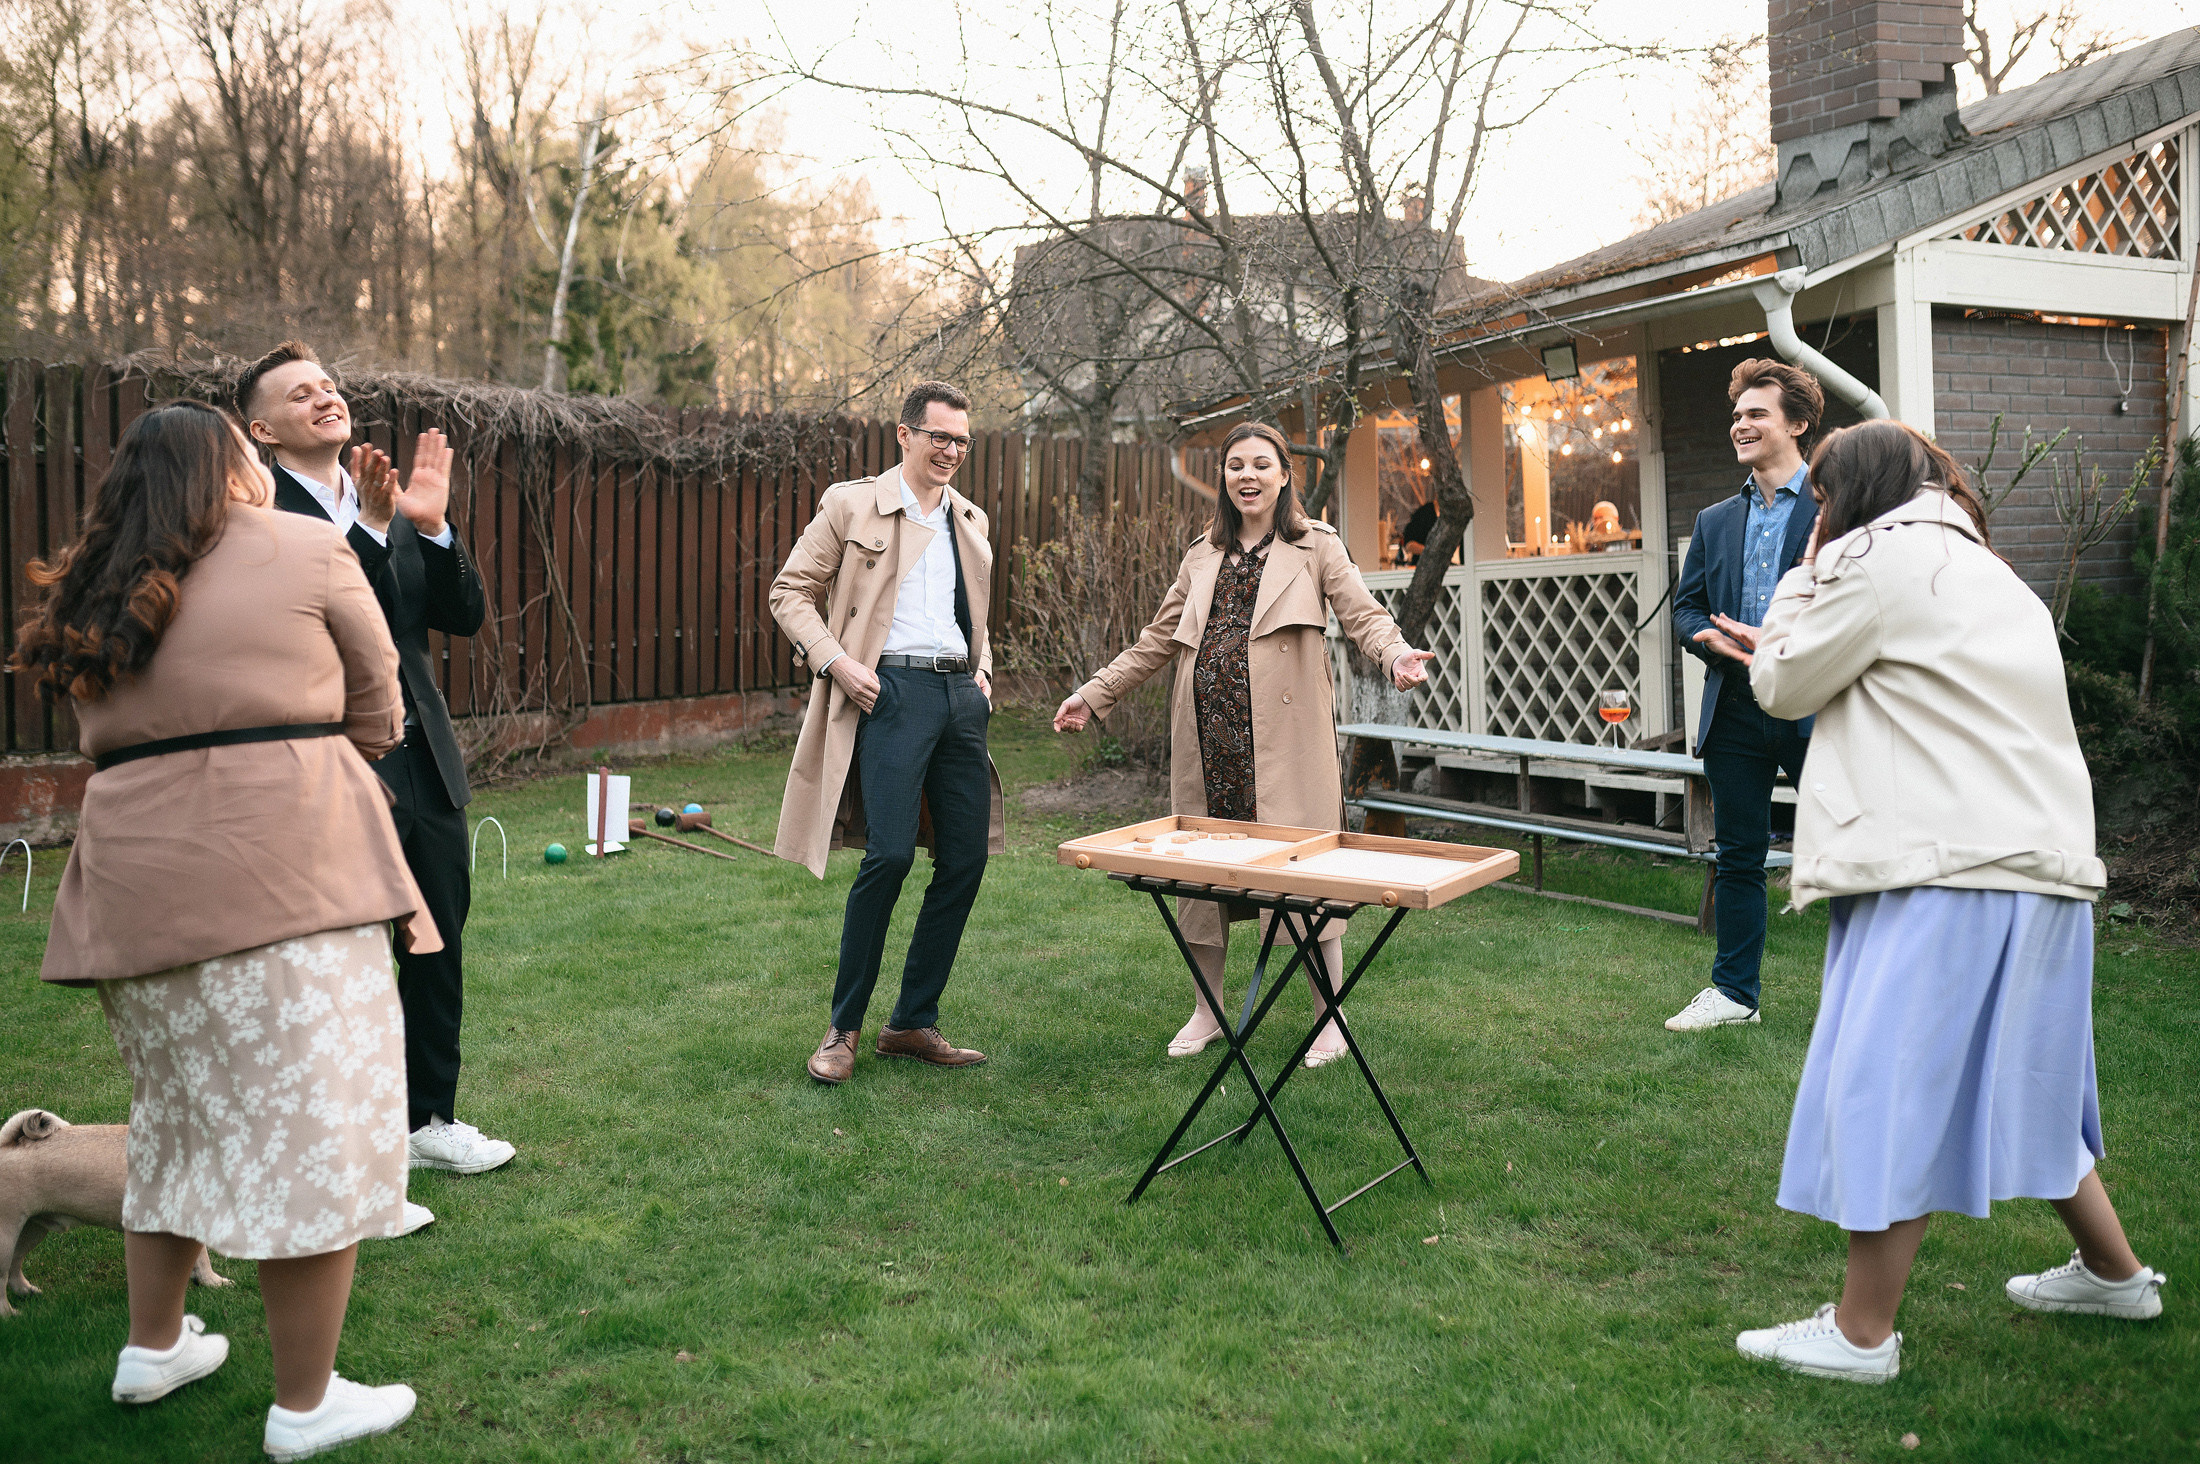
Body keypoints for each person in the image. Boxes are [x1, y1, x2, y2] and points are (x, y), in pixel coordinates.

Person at [15, 401, 432, 1457]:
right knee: (311, 1135)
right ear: (238, 469)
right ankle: (307, 1405)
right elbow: (382, 711)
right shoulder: (306, 543)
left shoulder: (95, 583)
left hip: (132, 891)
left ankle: (152, 1349)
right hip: (286, 874)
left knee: (174, 1119)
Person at [1723, 418, 2165, 1383]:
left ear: (1851, 495)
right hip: (2044, 866)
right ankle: (2117, 1276)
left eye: (1823, 500)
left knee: (1892, 1085)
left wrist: (1805, 570)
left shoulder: (1870, 557)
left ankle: (1860, 1336)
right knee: (2030, 1086)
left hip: (1944, 867)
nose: (1818, 517)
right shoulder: (1986, 568)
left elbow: (1784, 682)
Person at [1053, 422, 1434, 1063]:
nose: (1247, 476)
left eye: (1261, 465)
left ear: (1286, 474)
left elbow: (1362, 612)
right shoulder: (1202, 555)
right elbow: (1156, 639)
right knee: (1204, 886)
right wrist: (1095, 693)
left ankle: (1328, 1020)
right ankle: (1207, 1012)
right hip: (1212, 747)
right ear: (1224, 478)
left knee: (1308, 881)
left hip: (1285, 748)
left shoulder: (1315, 546)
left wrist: (1395, 653)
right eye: (1235, 466)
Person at [235, 343, 514, 1177]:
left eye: (328, 386)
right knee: (343, 954)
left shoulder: (381, 491)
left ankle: (430, 1119)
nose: (325, 398)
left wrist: (432, 527)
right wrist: (373, 531)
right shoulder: (260, 511)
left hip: (423, 756)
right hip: (333, 760)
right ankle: (341, 1131)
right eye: (300, 394)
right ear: (263, 430)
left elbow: (459, 616)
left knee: (438, 940)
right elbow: (323, 612)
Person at [771, 380, 1006, 1085]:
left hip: (958, 696)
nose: (952, 451)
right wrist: (838, 662)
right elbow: (790, 591)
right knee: (890, 858)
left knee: (965, 858)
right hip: (890, 693)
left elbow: (975, 613)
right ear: (903, 435)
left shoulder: (971, 519)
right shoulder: (851, 503)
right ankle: (843, 1029)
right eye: (939, 436)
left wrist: (983, 671)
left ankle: (910, 1023)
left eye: (962, 440)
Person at [1666, 358, 1822, 1032]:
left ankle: (1889, 992)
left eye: (1756, 413)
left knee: (1857, 849)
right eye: (1737, 415)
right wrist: (1714, 642)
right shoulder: (1715, 519)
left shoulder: (1838, 508)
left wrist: (1785, 643)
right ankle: (1735, 996)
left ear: (1798, 422)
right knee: (1739, 857)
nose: (1741, 424)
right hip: (1733, 707)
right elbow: (1687, 608)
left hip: (1817, 707)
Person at [1400, 495, 1438, 563]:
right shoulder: (1424, 513)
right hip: (1424, 566)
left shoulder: (1457, 516)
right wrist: (1431, 552)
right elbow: (1409, 544)